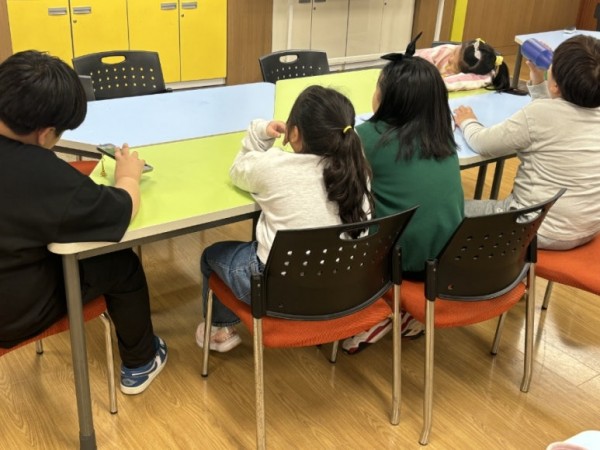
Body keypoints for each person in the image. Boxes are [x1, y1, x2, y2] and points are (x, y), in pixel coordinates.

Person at [0, 50, 167, 395]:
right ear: (46, 134)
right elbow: (120, 210)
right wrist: (128, 176)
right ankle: (141, 360)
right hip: (13, 313)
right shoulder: (39, 174)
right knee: (121, 264)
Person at [196, 85, 374, 352]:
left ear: (294, 133)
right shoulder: (358, 169)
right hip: (343, 289)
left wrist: (259, 132)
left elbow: (238, 170)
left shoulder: (274, 166)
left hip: (277, 293)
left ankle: (219, 331)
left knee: (211, 256)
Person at [343, 34, 465, 353]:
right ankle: (409, 313)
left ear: (388, 99)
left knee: (342, 212)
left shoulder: (366, 137)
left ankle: (381, 312)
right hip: (446, 258)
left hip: (397, 262)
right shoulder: (443, 135)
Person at [453, 35, 600, 250]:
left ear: (555, 86)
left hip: (533, 228)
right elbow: (555, 116)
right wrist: (539, 80)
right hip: (586, 229)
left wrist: (467, 121)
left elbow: (482, 143)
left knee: (448, 212)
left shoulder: (539, 115)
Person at [416, 37, 524, 94]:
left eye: (454, 64)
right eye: (454, 52)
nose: (450, 59)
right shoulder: (444, 52)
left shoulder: (481, 73)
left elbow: (480, 78)